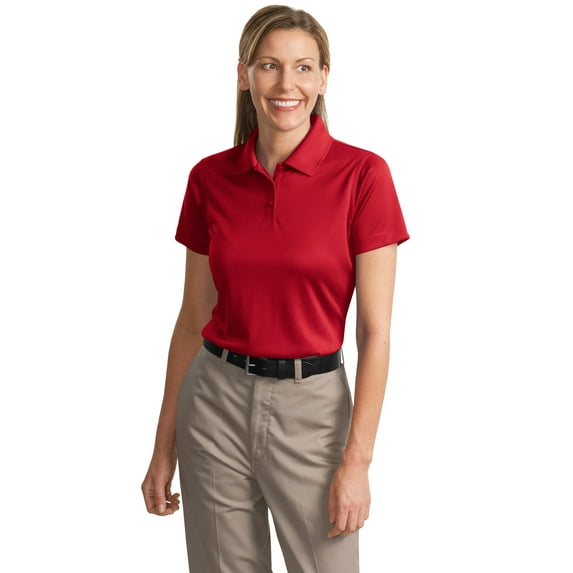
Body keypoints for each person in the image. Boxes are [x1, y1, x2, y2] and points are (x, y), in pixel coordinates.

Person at [141, 5, 409, 572]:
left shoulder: (364, 176)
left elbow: (376, 333)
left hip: (313, 411)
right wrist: (163, 444)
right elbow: (193, 317)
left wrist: (357, 462)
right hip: (212, 404)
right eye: (269, 65)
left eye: (303, 67)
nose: (287, 84)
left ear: (324, 78)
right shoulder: (209, 178)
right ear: (244, 75)